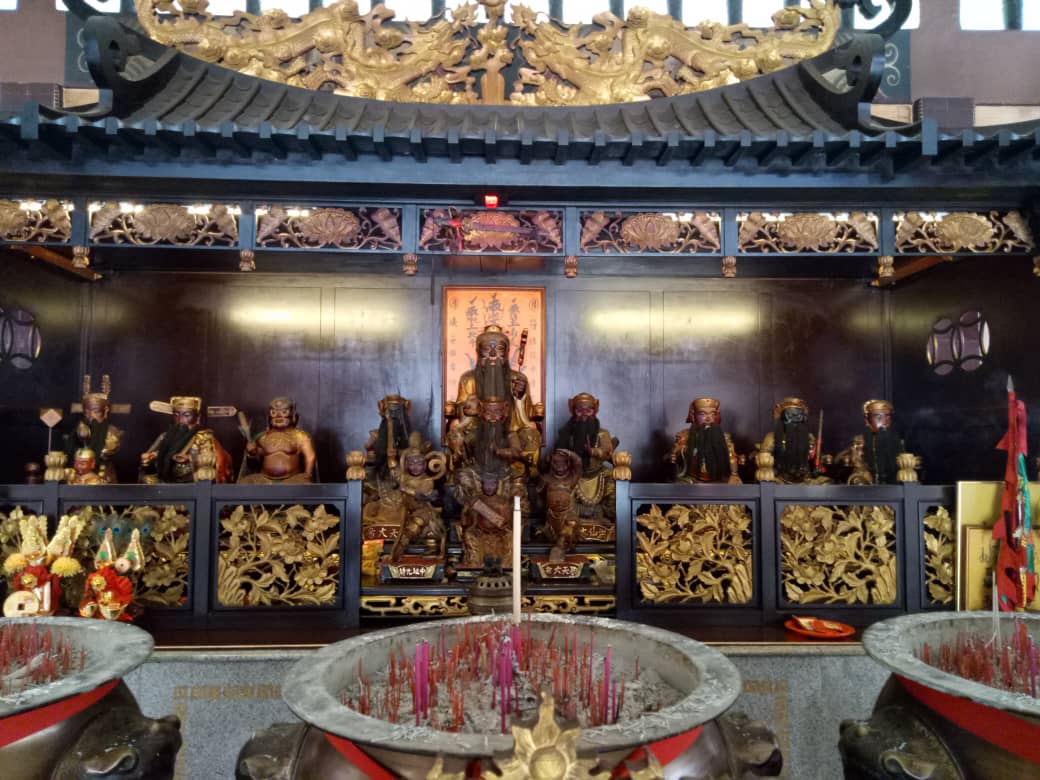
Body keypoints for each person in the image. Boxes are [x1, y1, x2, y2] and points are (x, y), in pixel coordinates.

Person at [449, 325, 541, 475]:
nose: (492, 354)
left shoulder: (517, 378)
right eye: (486, 350)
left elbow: (527, 417)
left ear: (507, 352)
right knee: (455, 433)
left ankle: (523, 473)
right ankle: (463, 469)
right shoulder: (468, 379)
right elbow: (462, 412)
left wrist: (520, 398)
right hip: (477, 430)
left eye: (499, 350)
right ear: (478, 352)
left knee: (531, 434)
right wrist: (472, 407)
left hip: (510, 431)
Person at [556, 392, 618, 525]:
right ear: (573, 411)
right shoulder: (567, 433)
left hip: (599, 474)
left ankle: (601, 515)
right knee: (560, 492)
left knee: (614, 487)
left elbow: (607, 451)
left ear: (594, 411)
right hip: (574, 474)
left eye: (588, 410)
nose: (584, 414)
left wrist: (593, 451)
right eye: (579, 410)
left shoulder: (602, 433)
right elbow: (560, 453)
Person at [140, 396, 232, 483]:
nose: (181, 420)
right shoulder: (165, 436)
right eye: (176, 415)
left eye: (187, 415)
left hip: (193, 482)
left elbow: (213, 459)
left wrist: (190, 458)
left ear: (197, 417)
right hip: (166, 481)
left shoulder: (203, 437)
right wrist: (151, 456)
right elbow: (156, 454)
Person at [240, 397, 317, 483]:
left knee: (303, 483)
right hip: (265, 479)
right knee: (244, 483)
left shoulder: (299, 436)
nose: (278, 416)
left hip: (292, 479)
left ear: (293, 415)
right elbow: (256, 460)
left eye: (284, 412)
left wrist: (307, 475)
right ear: (269, 417)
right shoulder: (263, 437)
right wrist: (252, 452)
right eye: (274, 413)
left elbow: (310, 457)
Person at [64, 375, 122, 483]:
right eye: (87, 412)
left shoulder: (111, 431)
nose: (91, 416)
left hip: (102, 474)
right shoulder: (79, 428)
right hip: (78, 475)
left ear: (105, 410)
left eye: (96, 411)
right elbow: (69, 450)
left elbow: (108, 451)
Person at [755, 397, 828, 483]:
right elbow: (764, 460)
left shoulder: (810, 438)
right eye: (790, 415)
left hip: (804, 480)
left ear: (803, 418)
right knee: (767, 483)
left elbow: (816, 460)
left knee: (827, 483)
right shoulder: (772, 437)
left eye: (798, 415)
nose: (794, 419)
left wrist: (818, 465)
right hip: (780, 480)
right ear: (782, 417)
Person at [670, 397, 741, 484]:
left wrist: (734, 474)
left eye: (712, 414)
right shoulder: (684, 436)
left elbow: (732, 456)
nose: (708, 419)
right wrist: (679, 451)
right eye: (702, 414)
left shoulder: (724, 438)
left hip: (717, 481)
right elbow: (674, 456)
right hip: (691, 481)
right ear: (693, 416)